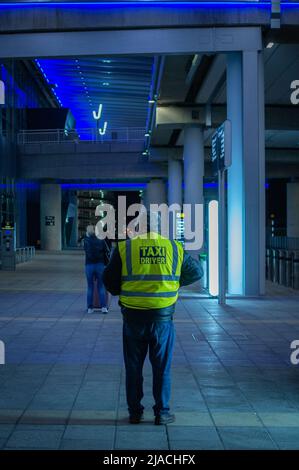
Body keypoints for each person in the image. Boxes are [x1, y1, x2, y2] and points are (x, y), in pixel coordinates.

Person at [103, 213, 203, 425]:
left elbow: (109, 280)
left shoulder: (125, 248)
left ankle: (135, 412)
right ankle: (162, 413)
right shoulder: (173, 247)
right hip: (162, 318)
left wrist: (124, 290)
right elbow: (196, 272)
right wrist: (173, 282)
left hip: (133, 317)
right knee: (162, 367)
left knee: (133, 367)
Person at [84, 225, 109, 314]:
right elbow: (107, 250)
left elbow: (86, 250)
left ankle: (90, 308)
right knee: (101, 286)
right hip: (100, 265)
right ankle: (103, 307)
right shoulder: (101, 240)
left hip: (89, 265)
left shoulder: (86, 240)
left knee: (90, 287)